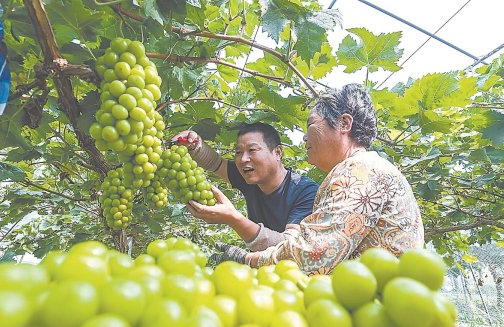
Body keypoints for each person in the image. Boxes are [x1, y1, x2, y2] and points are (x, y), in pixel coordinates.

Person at [200, 84, 425, 274]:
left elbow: (314, 253)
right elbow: (219, 165)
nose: (305, 136)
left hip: (384, 311)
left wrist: (246, 259)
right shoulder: (368, 168)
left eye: (310, 124)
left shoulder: (358, 171)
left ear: (345, 124)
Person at [172, 122, 319, 250]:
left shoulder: (306, 191)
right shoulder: (250, 179)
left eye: (252, 150)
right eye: (238, 152)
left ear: (277, 152)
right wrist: (194, 144)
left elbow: (289, 247)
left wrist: (234, 219)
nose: (243, 159)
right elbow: (215, 163)